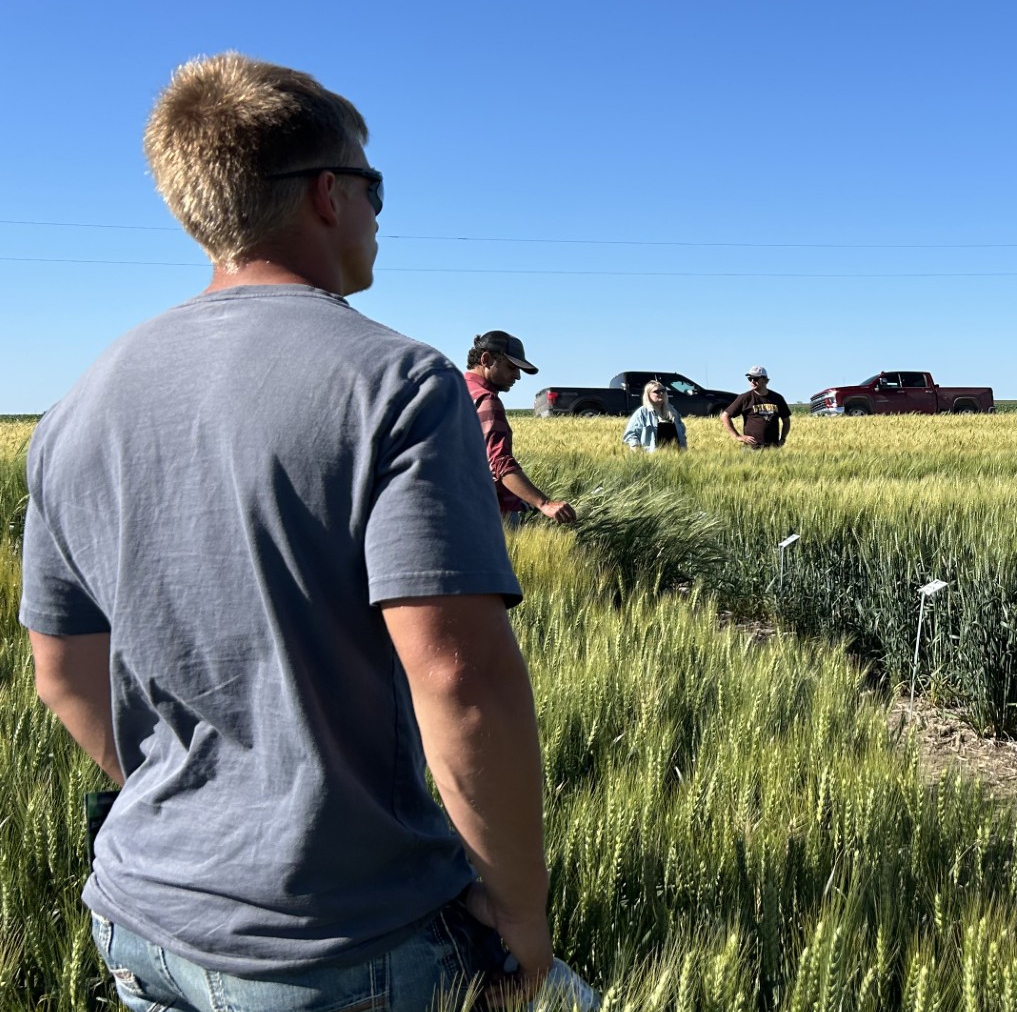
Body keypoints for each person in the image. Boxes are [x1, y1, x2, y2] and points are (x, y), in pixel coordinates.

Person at [20, 54, 593, 1010]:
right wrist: (523, 924)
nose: (379, 213)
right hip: (337, 944)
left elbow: (63, 674)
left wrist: (202, 800)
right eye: (374, 187)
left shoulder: (75, 408)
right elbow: (458, 675)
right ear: (328, 194)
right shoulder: (399, 384)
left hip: (136, 920)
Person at [466, 330, 576, 524]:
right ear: (486, 359)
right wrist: (543, 503)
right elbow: (499, 463)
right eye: (511, 367)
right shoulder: (487, 401)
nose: (517, 376)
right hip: (492, 514)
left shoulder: (455, 391)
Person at [721, 365, 791, 449]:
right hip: (752, 449)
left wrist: (783, 439)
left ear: (765, 380)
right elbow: (725, 416)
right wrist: (738, 436)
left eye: (756, 379)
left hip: (772, 448)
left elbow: (786, 421)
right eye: (750, 379)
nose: (752, 381)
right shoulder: (744, 398)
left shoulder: (777, 398)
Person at [623, 380, 688, 452]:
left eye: (663, 391)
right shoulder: (641, 413)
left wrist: (683, 449)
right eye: (656, 391)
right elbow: (630, 435)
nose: (661, 393)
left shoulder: (673, 412)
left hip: (674, 456)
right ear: (648, 394)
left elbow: (682, 433)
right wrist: (638, 452)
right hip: (652, 456)